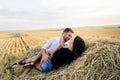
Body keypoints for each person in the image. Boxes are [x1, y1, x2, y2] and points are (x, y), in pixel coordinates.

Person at [5, 28, 74, 79]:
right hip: (44, 55)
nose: (69, 38)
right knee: (39, 56)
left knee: (35, 60)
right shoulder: (54, 39)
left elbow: (55, 54)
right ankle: (25, 68)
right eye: (69, 35)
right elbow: (43, 48)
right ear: (63, 33)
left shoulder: (67, 45)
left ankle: (22, 66)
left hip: (49, 58)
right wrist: (44, 55)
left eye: (71, 36)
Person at [19, 35, 85, 79]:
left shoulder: (64, 50)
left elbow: (53, 55)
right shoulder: (72, 55)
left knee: (36, 58)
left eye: (73, 39)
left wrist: (57, 47)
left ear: (74, 43)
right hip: (52, 67)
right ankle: (23, 74)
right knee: (36, 58)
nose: (71, 39)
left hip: (46, 66)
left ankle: (25, 62)